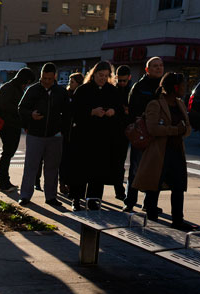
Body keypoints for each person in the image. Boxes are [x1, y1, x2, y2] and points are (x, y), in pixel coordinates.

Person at [131, 72, 193, 230]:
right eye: (183, 86)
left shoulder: (180, 104)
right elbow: (152, 129)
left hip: (177, 151)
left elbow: (187, 128)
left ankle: (178, 220)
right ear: (174, 87)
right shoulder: (155, 104)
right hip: (159, 152)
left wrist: (183, 130)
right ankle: (151, 219)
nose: (185, 89)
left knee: (179, 187)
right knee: (154, 186)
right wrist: (175, 130)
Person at [69, 62, 125, 211]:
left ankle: (93, 200)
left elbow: (121, 111)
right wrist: (91, 112)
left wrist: (113, 111)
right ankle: (76, 199)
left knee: (98, 172)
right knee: (81, 170)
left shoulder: (112, 91)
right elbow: (73, 112)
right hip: (85, 137)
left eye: (106, 76)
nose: (103, 78)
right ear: (94, 74)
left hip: (104, 138)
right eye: (101, 75)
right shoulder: (83, 90)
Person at [17, 62, 67, 206]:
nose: (46, 81)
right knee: (31, 166)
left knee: (52, 168)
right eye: (44, 78)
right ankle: (25, 195)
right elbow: (21, 108)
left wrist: (61, 130)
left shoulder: (60, 92)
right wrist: (31, 115)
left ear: (54, 77)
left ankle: (51, 196)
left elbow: (67, 113)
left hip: (55, 136)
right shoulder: (33, 90)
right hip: (35, 134)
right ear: (41, 76)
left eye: (49, 79)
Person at [125, 56, 165, 211]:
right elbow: (133, 110)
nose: (158, 68)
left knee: (155, 171)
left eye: (161, 65)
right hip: (142, 134)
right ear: (147, 69)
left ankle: (150, 204)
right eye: (155, 66)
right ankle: (129, 202)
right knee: (136, 169)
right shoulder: (139, 86)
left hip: (159, 135)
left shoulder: (164, 87)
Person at [0, 66, 35, 192]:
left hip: (14, 125)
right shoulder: (9, 88)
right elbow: (5, 106)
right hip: (8, 125)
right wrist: (20, 110)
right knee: (7, 153)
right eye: (27, 82)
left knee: (8, 153)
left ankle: (5, 180)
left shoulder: (15, 88)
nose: (27, 85)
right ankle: (3, 182)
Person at [113, 65, 133, 200]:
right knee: (115, 163)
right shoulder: (114, 91)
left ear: (129, 78)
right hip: (114, 130)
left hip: (124, 131)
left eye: (123, 81)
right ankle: (119, 189)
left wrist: (127, 112)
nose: (121, 83)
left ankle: (119, 190)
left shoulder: (131, 91)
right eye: (119, 80)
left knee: (120, 163)